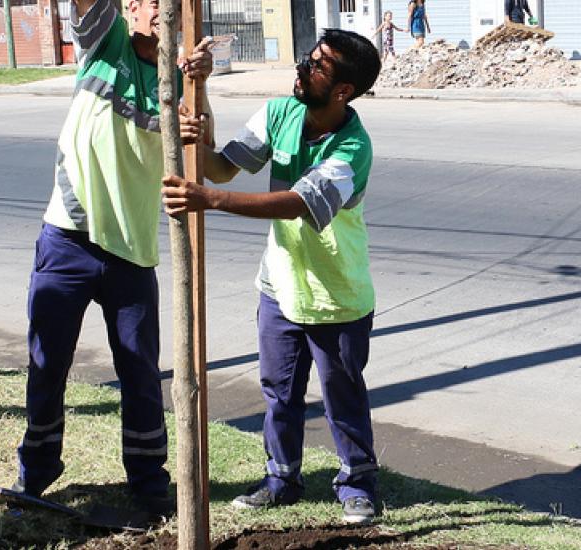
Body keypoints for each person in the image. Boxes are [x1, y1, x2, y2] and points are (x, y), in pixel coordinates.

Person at [161, 28, 382, 525]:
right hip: (279, 287)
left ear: (343, 90)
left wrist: (210, 202)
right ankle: (282, 477)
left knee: (342, 396)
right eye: (309, 58)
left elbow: (296, 203)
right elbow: (220, 169)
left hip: (337, 296)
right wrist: (203, 102)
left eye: (318, 66)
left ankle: (358, 484)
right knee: (279, 392)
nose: (303, 68)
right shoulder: (280, 113)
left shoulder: (353, 148)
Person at [13, 0, 213, 519]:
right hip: (68, 238)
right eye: (147, 1)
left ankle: (148, 481)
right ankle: (35, 474)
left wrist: (202, 86)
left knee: (141, 373)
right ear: (128, 8)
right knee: (47, 365)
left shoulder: (178, 79)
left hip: (132, 250)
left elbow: (206, 154)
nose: (156, 10)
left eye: (166, 4)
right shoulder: (104, 43)